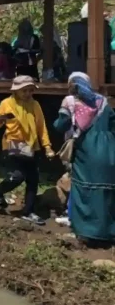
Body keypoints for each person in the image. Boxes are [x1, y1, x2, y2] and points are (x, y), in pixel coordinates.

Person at [53, 73, 115, 242]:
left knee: (84, 188)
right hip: (109, 148)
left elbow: (61, 125)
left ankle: (86, 232)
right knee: (106, 190)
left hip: (86, 149)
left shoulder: (70, 101)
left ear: (71, 85)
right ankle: (107, 231)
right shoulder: (103, 102)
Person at [0, 76, 55, 225]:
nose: (27, 93)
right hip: (12, 145)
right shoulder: (6, 103)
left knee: (33, 179)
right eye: (24, 90)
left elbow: (41, 127)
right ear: (16, 91)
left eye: (30, 90)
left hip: (31, 147)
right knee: (18, 176)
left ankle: (28, 211)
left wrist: (47, 146)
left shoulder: (35, 105)